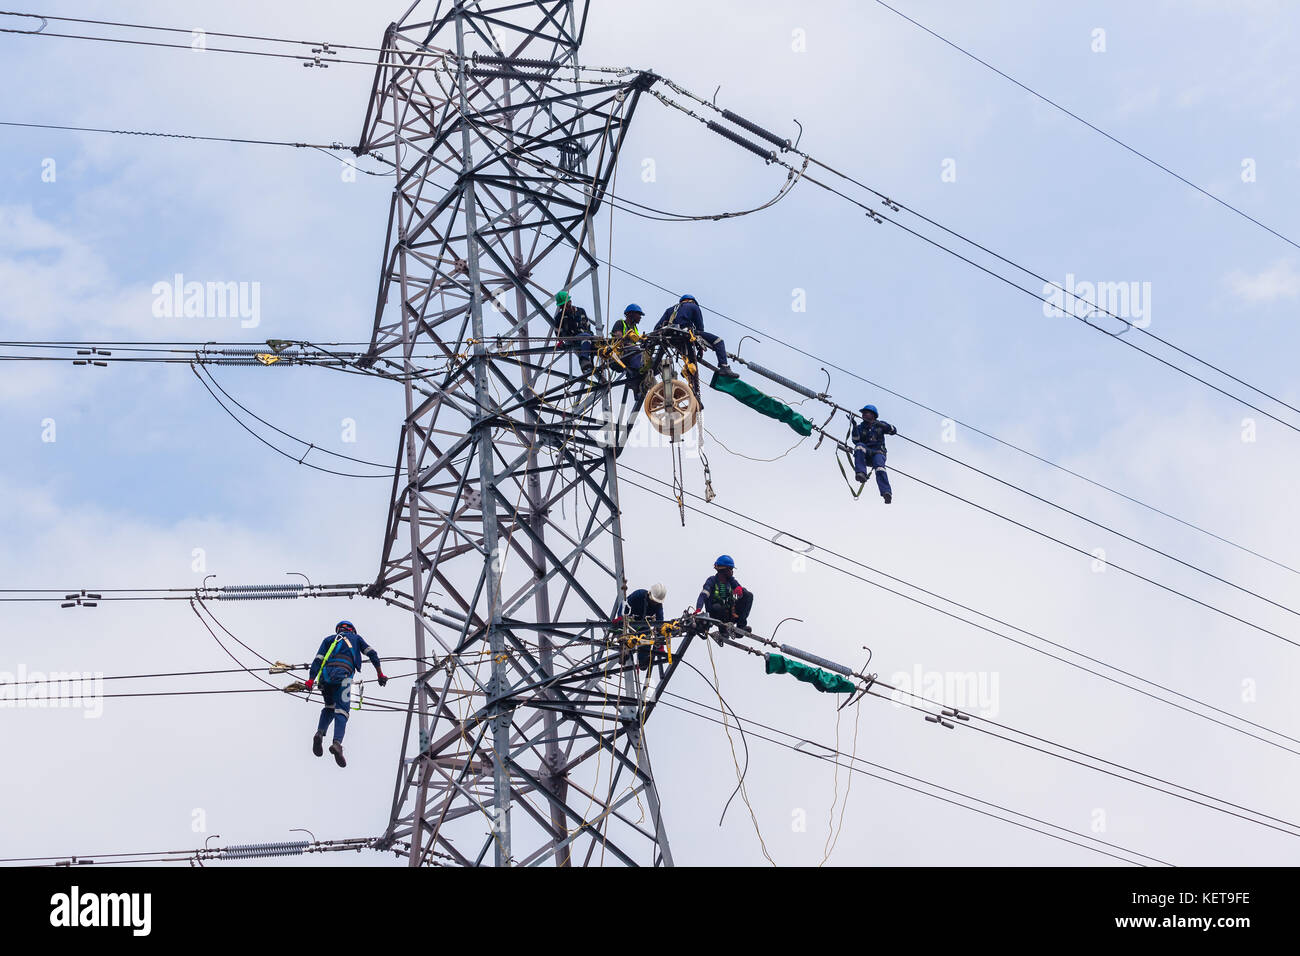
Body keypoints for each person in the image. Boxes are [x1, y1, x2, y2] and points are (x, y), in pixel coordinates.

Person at [304, 620, 388, 768]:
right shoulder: (356, 639)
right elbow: (372, 654)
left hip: (325, 678)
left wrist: (311, 679)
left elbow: (318, 660)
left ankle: (319, 733)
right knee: (342, 710)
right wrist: (380, 674)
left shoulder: (329, 639)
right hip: (343, 678)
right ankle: (337, 743)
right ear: (352, 630)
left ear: (338, 630)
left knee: (329, 707)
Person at [653, 294, 738, 377]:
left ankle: (655, 368)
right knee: (718, 341)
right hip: (686, 332)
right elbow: (699, 326)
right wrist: (700, 347)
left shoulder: (670, 310)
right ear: (693, 301)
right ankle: (724, 366)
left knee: (689, 354)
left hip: (669, 335)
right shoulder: (693, 306)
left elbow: (657, 327)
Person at [613, 583, 668, 670]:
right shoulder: (639, 595)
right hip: (630, 621)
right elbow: (624, 605)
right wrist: (620, 617)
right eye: (654, 600)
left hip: (643, 625)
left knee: (646, 635)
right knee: (624, 634)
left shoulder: (658, 605)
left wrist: (660, 641)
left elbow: (660, 623)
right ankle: (624, 652)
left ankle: (643, 660)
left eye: (656, 602)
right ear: (649, 594)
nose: (654, 603)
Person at [695, 555, 753, 633]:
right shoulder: (712, 580)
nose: (732, 571)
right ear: (724, 569)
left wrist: (740, 590)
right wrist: (698, 609)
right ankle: (723, 629)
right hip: (716, 614)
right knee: (717, 607)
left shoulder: (731, 581)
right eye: (731, 569)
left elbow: (740, 590)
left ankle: (741, 626)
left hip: (730, 613)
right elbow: (703, 595)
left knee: (748, 595)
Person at [853, 404, 897, 504]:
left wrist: (883, 426)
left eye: (866, 412)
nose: (863, 414)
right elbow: (855, 441)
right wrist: (854, 428)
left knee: (880, 468)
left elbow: (894, 430)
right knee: (859, 446)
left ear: (873, 415)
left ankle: (886, 492)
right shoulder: (861, 427)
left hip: (878, 453)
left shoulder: (879, 424)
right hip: (867, 454)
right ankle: (861, 473)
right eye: (863, 413)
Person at [553, 290, 595, 374]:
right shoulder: (559, 317)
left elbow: (587, 325)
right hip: (572, 339)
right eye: (561, 306)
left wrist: (591, 335)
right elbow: (558, 332)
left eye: (565, 304)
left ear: (570, 302)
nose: (563, 307)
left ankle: (591, 365)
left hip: (585, 336)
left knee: (598, 342)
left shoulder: (580, 311)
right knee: (585, 337)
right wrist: (561, 342)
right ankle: (584, 362)